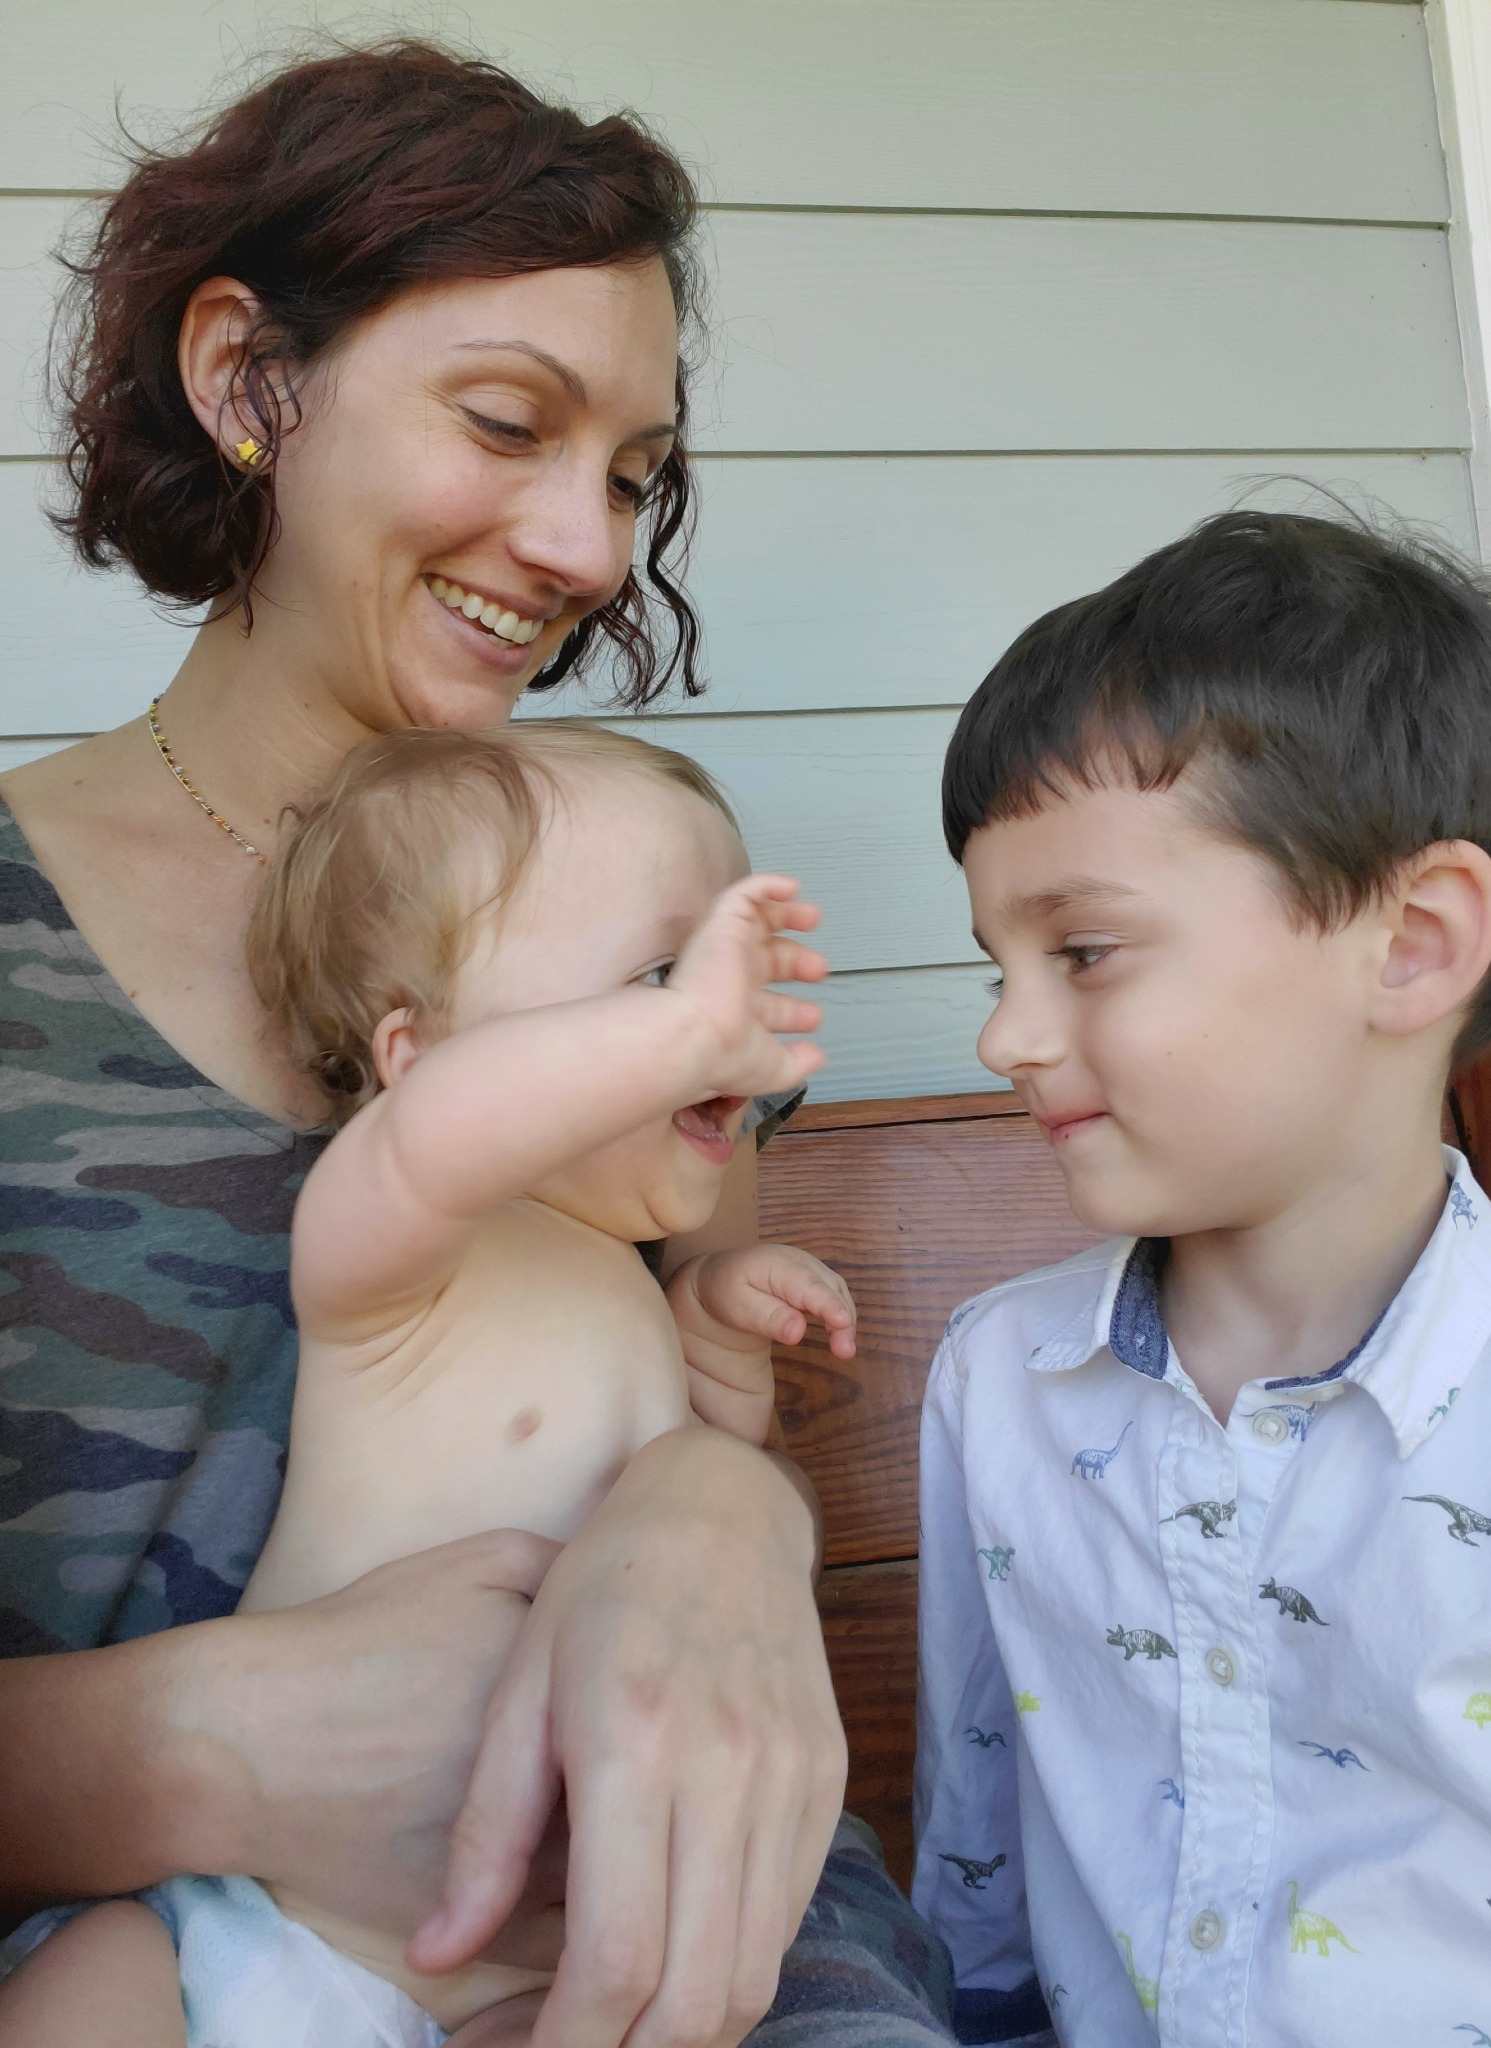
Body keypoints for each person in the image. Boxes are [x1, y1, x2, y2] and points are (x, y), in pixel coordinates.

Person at [0, 41, 954, 2048]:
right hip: (183, 1952)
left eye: (631, 475)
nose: (590, 552)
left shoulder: (634, 890)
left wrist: (723, 1525)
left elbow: (691, 1351)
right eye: (509, 423)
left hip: (649, 1915)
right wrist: (185, 1745)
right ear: (246, 380)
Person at [0, 719, 862, 2045]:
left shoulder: (627, 1274)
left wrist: (720, 1358)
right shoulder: (402, 1245)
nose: (717, 1021)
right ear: (414, 1055)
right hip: (275, 1929)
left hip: (522, 1976)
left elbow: (698, 1506)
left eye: (728, 975)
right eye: (657, 974)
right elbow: (440, 1138)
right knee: (92, 1980)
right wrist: (684, 1031)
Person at [912, 511, 1491, 2045]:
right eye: (997, 965)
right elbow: (973, 1851)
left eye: (1085, 951)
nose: (1006, 1036)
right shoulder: (1001, 1379)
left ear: (1413, 944)